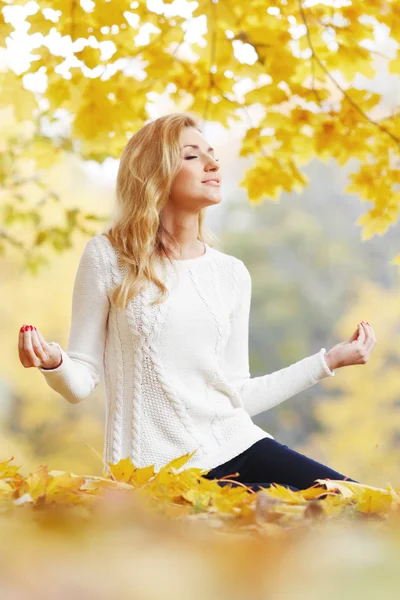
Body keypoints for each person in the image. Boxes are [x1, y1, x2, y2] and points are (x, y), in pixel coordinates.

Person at [18, 112, 377, 493]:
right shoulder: (108, 257)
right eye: (191, 156)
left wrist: (328, 362)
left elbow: (237, 394)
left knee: (362, 502)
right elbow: (80, 381)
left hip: (238, 442)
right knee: (290, 513)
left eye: (212, 154)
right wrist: (54, 362)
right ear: (155, 173)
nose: (213, 163)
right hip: (156, 476)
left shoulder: (231, 273)